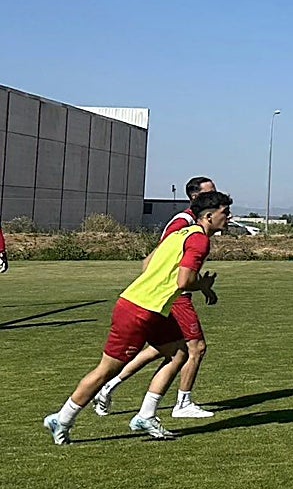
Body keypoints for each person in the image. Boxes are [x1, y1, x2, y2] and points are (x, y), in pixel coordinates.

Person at [42, 191, 232, 445]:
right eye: (224, 212)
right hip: (139, 310)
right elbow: (184, 281)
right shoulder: (199, 240)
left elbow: (149, 262)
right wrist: (203, 286)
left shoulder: (181, 233)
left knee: (179, 352)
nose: (229, 217)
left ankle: (146, 415)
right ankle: (62, 418)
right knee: (105, 371)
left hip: (153, 308)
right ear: (208, 216)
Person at [93, 176, 218, 419]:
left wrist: (202, 286)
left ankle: (110, 386)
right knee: (196, 347)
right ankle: (182, 403)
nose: (216, 197)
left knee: (162, 349)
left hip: (174, 292)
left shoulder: (197, 224)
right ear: (195, 197)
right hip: (173, 295)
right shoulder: (184, 222)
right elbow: (156, 257)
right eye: (209, 193)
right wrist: (163, 286)